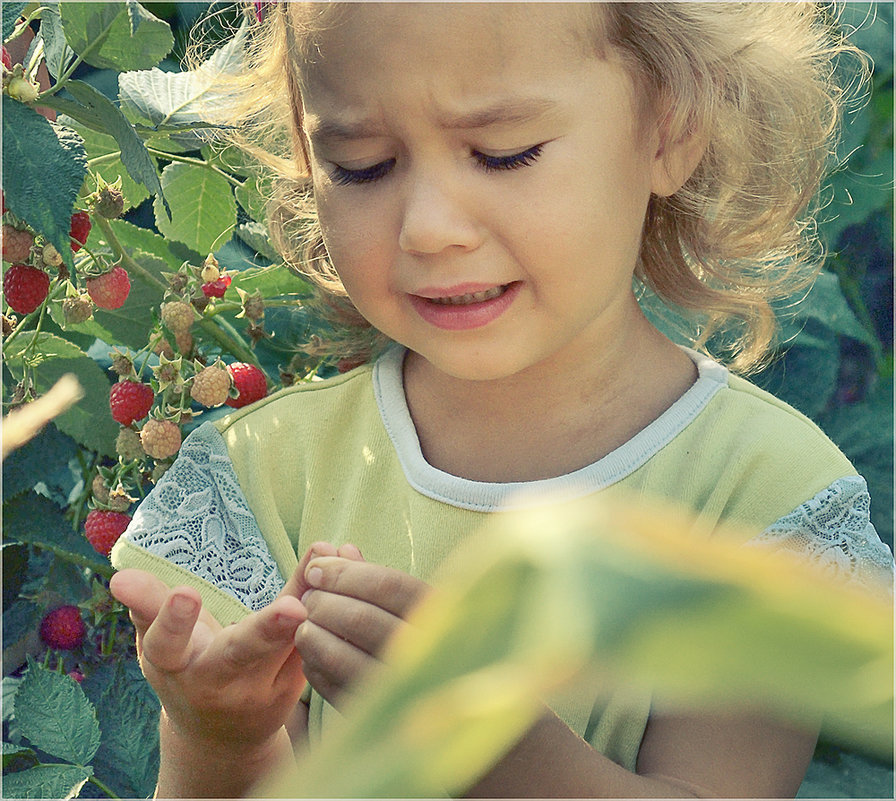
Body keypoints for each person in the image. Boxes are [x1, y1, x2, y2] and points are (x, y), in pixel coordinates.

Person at [109, 2, 894, 797]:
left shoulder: (757, 497)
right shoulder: (270, 477)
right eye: (361, 164)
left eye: (503, 154)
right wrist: (222, 740)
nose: (430, 228)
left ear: (672, 130)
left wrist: (493, 746)